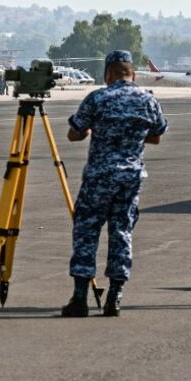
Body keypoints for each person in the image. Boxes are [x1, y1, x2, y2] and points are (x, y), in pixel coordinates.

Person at [61, 50, 168, 317]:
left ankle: (80, 298)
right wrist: (130, 136)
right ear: (132, 74)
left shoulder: (98, 98)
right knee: (121, 232)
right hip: (130, 178)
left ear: (108, 74)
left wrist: (95, 131)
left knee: (87, 232)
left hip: (99, 176)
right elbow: (156, 136)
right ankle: (114, 298)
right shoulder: (148, 100)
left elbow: (74, 134)